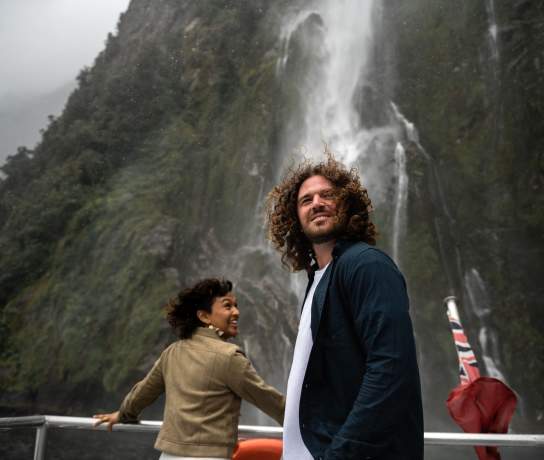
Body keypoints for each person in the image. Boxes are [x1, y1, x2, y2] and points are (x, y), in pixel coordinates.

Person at [266, 153, 423, 460]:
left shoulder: (366, 265)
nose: (317, 203)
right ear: (294, 218)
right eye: (306, 200)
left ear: (347, 204)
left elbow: (390, 368)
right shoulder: (318, 280)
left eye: (328, 195)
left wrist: (340, 453)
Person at [93, 278, 285, 460]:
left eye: (236, 306)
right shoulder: (229, 357)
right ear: (203, 316)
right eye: (228, 306)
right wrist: (308, 424)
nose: (236, 312)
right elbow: (269, 400)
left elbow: (143, 392)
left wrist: (122, 414)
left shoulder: (173, 352)